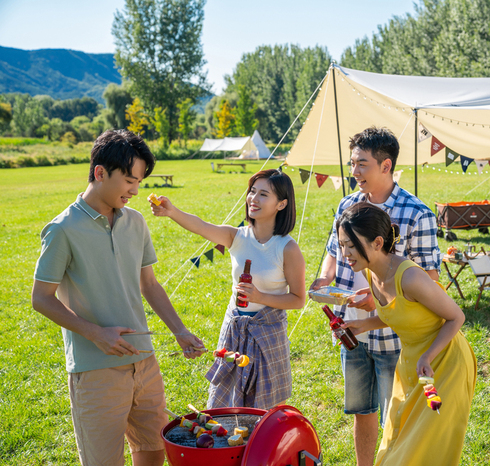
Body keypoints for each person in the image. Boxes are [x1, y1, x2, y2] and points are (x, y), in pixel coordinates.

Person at [31, 130, 205, 466]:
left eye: (138, 181)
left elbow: (150, 285)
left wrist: (180, 331)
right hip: (96, 372)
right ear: (100, 172)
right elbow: (41, 298)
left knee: (155, 451)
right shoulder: (62, 229)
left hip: (145, 362)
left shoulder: (136, 222)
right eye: (128, 180)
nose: (135, 191)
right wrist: (96, 333)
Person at [310, 127, 440, 466]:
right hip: (351, 329)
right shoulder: (347, 204)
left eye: (362, 165)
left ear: (386, 166)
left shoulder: (416, 213)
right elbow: (332, 253)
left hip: (393, 335)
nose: (354, 172)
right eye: (352, 163)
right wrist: (324, 279)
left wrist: (380, 298)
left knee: (394, 419)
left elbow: (431, 280)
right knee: (361, 412)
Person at [150, 168, 305, 409]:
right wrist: (172, 211)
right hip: (234, 328)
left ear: (281, 204)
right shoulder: (236, 236)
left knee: (267, 408)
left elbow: (298, 299)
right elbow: (201, 226)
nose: (254, 199)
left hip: (268, 333)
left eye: (264, 194)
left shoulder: (287, 248)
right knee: (224, 403)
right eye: (252, 191)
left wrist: (260, 296)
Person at [338, 203, 476, 465]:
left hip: (445, 363)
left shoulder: (410, 277)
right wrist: (364, 325)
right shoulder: (370, 271)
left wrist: (428, 356)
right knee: (397, 442)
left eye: (351, 245)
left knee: (422, 450)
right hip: (413, 363)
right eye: (342, 244)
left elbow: (456, 317)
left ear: (378, 242)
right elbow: (403, 315)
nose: (345, 253)